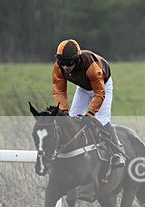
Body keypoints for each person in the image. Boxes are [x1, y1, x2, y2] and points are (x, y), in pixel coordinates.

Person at [52, 39, 126, 167]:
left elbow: (100, 94)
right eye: (62, 62)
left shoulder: (92, 67)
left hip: (102, 86)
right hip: (83, 88)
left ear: (77, 60)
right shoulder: (58, 68)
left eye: (69, 63)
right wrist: (63, 112)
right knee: (72, 119)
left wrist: (90, 114)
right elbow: (59, 91)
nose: (65, 67)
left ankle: (117, 152)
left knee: (101, 119)